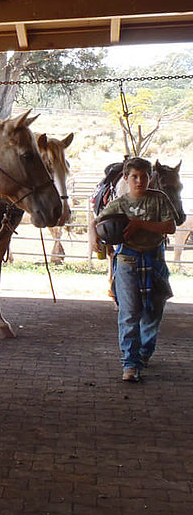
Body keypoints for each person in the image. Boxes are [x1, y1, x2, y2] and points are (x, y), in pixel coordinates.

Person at [96, 156, 176, 383]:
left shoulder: (159, 199)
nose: (139, 181)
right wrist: (96, 238)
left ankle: (144, 352)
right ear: (126, 178)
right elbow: (98, 222)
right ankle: (130, 363)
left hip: (154, 259)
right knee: (129, 313)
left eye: (144, 177)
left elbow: (170, 226)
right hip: (127, 261)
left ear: (150, 178)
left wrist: (139, 223)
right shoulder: (118, 204)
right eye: (134, 177)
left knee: (153, 311)